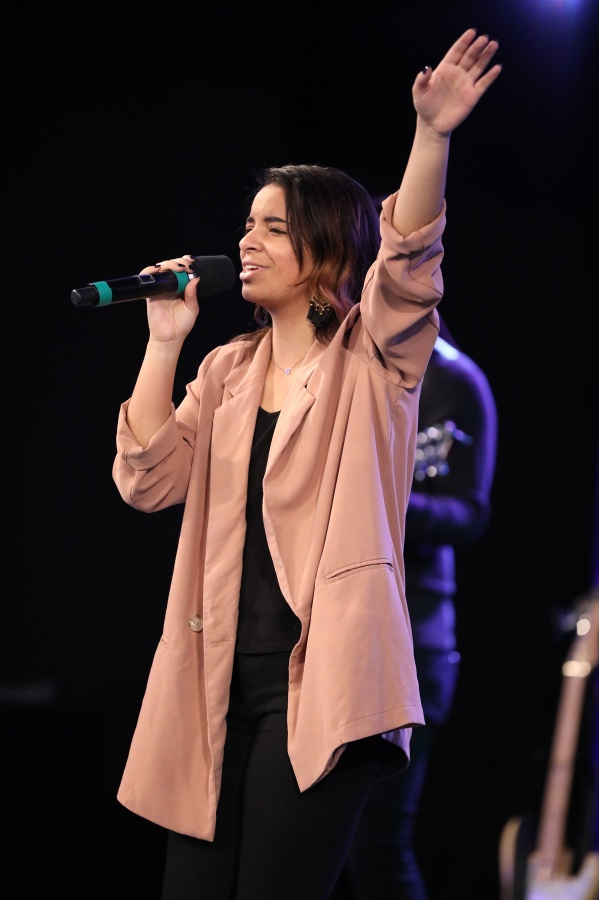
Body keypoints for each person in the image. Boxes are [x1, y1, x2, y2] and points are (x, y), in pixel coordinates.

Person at [109, 29, 501, 900]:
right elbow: (146, 481)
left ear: (325, 249)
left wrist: (431, 135)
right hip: (214, 681)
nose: (246, 242)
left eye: (273, 228)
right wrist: (164, 343)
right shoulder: (226, 370)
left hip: (322, 684)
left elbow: (409, 259)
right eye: (247, 225)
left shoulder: (375, 358)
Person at [330, 314, 498, 899]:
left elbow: (467, 511)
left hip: (409, 638)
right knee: (310, 845)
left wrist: (381, 496)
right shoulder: (336, 369)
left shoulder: (452, 378)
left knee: (374, 846)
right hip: (328, 633)